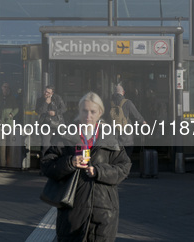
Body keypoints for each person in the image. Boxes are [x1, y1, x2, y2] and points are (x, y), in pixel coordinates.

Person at [41, 92, 131, 242]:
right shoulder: (65, 135)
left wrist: (99, 171)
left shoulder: (109, 137)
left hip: (103, 213)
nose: (88, 115)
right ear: (79, 110)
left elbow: (124, 167)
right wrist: (70, 163)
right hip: (71, 212)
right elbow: (47, 164)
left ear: (100, 113)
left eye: (93, 111)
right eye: (84, 111)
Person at [111, 83, 146, 159]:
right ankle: (125, 169)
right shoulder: (127, 102)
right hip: (126, 135)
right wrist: (143, 121)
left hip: (113, 134)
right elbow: (136, 115)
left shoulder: (109, 103)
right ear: (123, 92)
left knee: (115, 156)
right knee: (127, 155)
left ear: (114, 92)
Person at [36, 85, 66, 157]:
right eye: (45, 91)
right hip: (45, 125)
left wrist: (55, 112)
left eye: (48, 92)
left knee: (57, 144)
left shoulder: (57, 98)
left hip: (56, 125)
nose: (46, 94)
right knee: (46, 144)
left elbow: (64, 109)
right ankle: (45, 161)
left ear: (52, 93)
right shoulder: (40, 100)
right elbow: (39, 111)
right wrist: (46, 103)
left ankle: (56, 161)